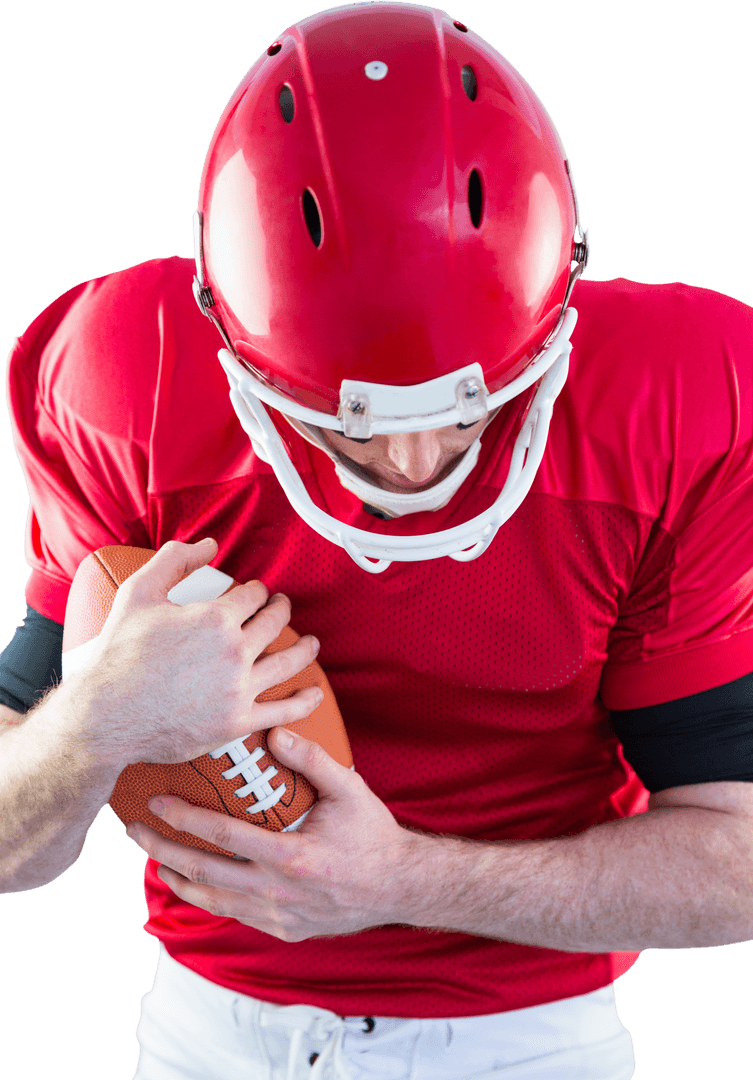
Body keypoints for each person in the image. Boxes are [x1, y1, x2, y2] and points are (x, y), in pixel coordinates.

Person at [1, 3, 752, 1079]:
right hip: (211, 1024)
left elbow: (739, 857)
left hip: (525, 1035)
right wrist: (92, 721)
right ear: (223, 330)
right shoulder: (131, 378)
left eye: (470, 407)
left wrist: (401, 881)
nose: (412, 465)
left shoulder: (675, 407)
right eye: (342, 419)